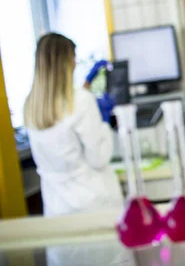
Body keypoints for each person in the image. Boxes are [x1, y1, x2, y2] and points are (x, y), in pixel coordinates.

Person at [23, 33, 123, 217]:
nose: (75, 62)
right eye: (73, 57)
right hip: (93, 205)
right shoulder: (82, 100)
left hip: (57, 208)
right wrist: (104, 123)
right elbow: (99, 158)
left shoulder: (32, 105)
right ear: (66, 61)